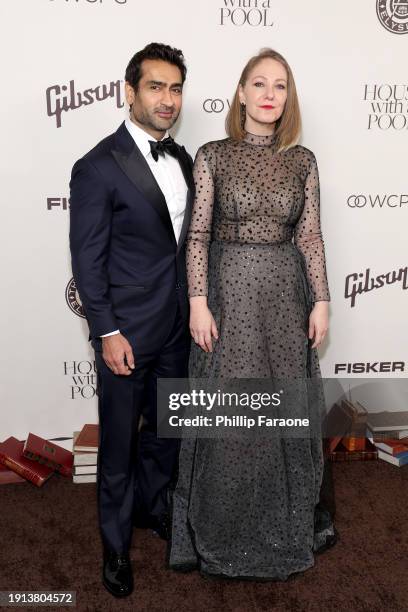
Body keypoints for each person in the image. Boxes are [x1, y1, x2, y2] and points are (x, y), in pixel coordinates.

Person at [168, 48, 337, 581]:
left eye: (280, 86)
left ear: (289, 97)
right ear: (240, 93)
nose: (269, 94)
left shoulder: (302, 159)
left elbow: (308, 234)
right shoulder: (212, 154)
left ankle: (286, 529)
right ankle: (222, 532)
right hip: (229, 293)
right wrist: (198, 300)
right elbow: (196, 235)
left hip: (286, 297)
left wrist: (324, 299)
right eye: (259, 84)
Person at [69, 43, 194, 598]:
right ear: (129, 91)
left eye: (175, 88)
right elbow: (87, 261)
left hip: (177, 328)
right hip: (126, 333)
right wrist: (107, 331)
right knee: (118, 445)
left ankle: (153, 508)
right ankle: (115, 546)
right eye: (155, 87)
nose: (167, 100)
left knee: (168, 433)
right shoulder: (97, 166)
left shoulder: (186, 160)